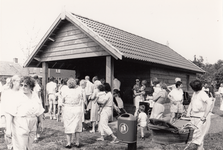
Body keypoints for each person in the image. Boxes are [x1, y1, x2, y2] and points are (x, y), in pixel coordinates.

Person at [4, 76, 44, 150]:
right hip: (20, 123)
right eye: (21, 85)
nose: (23, 87)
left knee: (29, 147)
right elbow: (9, 113)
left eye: (25, 85)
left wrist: (41, 122)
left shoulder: (34, 95)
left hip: (32, 122)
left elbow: (40, 109)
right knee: (20, 147)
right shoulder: (16, 96)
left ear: (31, 86)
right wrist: (8, 129)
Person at [186, 80, 213, 150]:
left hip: (201, 117)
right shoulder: (195, 93)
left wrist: (204, 116)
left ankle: (200, 148)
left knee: (199, 136)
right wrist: (188, 112)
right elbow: (191, 103)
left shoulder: (202, 94)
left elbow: (209, 103)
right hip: (194, 116)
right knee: (195, 135)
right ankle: (200, 148)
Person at [1, 75, 21, 150]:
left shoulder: (22, 93)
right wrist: (3, 118)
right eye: (19, 81)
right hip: (9, 119)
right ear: (14, 82)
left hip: (19, 120)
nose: (21, 83)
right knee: (9, 137)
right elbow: (3, 106)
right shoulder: (6, 93)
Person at [62, 78, 83, 148]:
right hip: (77, 109)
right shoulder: (79, 90)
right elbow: (81, 99)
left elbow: (62, 100)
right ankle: (77, 142)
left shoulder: (65, 91)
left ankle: (69, 143)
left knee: (68, 125)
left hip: (68, 109)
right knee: (77, 126)